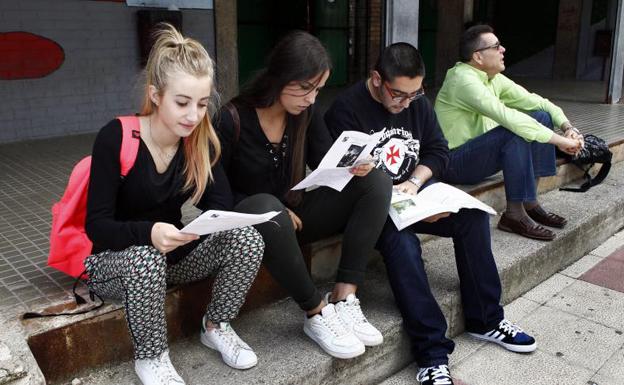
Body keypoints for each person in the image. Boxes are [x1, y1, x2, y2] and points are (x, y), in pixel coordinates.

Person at [324, 42, 536, 385]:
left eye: (415, 93)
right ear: (377, 79)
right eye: (399, 95)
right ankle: (432, 356)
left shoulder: (417, 103)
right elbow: (342, 178)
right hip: (370, 211)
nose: (407, 103)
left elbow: (438, 151)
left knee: (472, 216)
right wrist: (397, 201)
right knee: (402, 244)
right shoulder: (345, 110)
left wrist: (415, 182)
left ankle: (486, 319)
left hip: (413, 197)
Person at [84, 24, 265, 385]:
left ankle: (215, 326)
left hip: (169, 257)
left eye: (201, 103)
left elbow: (220, 205)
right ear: (155, 95)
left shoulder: (197, 142)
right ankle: (151, 357)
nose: (193, 115)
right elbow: (96, 225)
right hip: (115, 264)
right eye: (182, 103)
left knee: (247, 237)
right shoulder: (116, 137)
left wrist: (202, 224)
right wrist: (149, 232)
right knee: (145, 258)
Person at [215, 30, 393, 360]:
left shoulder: (304, 115)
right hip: (246, 227)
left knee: (377, 182)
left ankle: (344, 295)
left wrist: (353, 166)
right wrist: (275, 209)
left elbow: (326, 161)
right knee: (268, 207)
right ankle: (315, 311)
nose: (311, 98)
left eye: (318, 90)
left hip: (294, 219)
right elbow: (214, 196)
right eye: (305, 88)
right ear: (280, 77)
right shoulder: (231, 119)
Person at [435, 24, 584, 241]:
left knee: (541, 115)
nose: (503, 49)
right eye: (496, 46)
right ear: (478, 57)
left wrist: (568, 128)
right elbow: (508, 117)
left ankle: (530, 203)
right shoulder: (463, 80)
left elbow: (539, 102)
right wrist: (560, 142)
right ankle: (514, 214)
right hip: (453, 162)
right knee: (514, 131)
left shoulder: (491, 77)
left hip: (477, 156)